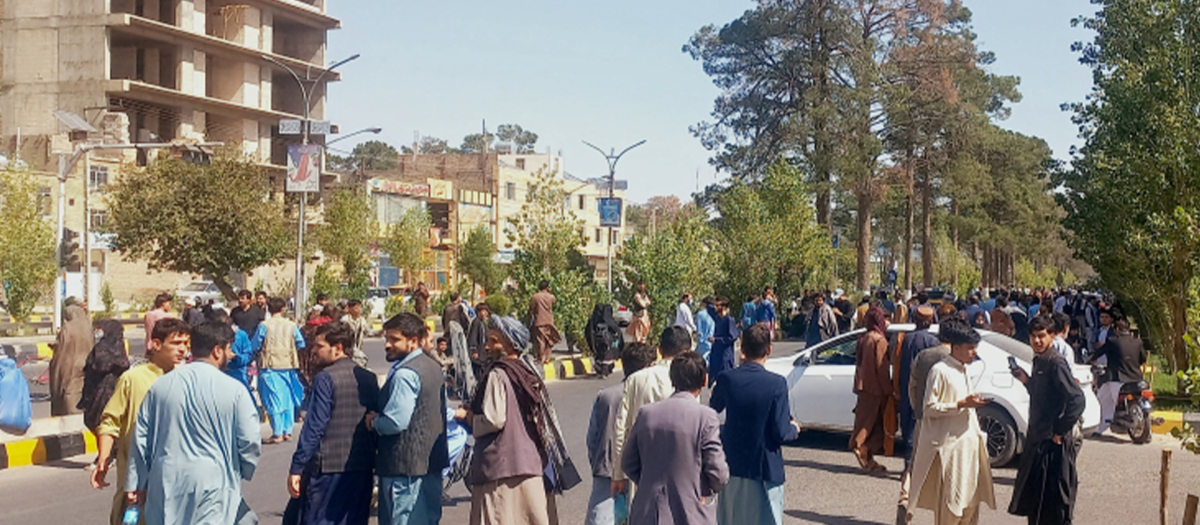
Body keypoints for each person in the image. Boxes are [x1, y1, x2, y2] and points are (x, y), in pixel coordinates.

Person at [124, 322, 260, 525]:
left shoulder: (160, 386)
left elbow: (141, 438)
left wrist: (136, 482)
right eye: (229, 349)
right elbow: (249, 440)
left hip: (165, 481)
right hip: (213, 482)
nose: (231, 355)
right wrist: (242, 468)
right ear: (217, 351)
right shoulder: (235, 390)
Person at [461, 316, 560, 525]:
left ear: (512, 343)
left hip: (500, 468)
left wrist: (470, 419)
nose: (487, 346)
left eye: (494, 341)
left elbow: (494, 419)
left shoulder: (499, 373)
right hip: (530, 463)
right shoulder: (528, 371)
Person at [90, 319, 189, 525]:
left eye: (186, 344)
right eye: (176, 343)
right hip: (136, 480)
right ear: (156, 344)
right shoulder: (133, 379)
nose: (182, 349)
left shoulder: (188, 380)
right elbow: (110, 421)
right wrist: (103, 459)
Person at [285, 322, 380, 525]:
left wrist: (297, 467)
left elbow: (315, 427)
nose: (313, 351)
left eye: (319, 346)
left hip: (327, 470)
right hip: (361, 468)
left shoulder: (325, 379)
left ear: (337, 348)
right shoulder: (368, 378)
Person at [621, 352, 729, 525]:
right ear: (704, 380)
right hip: (692, 511)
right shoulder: (705, 417)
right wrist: (704, 490)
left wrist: (651, 483)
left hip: (649, 511)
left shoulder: (647, 413)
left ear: (672, 379)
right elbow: (718, 472)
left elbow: (628, 462)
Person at [710, 324, 800, 525]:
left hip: (733, 463)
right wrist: (794, 428)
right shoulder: (776, 383)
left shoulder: (726, 378)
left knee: (731, 518)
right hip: (765, 468)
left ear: (742, 348)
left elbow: (714, 406)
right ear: (769, 349)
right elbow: (781, 431)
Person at [908, 320, 996, 525]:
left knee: (971, 506)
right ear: (955, 348)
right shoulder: (940, 370)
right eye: (970, 348)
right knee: (951, 507)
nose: (974, 352)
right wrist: (961, 403)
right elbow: (929, 407)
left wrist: (970, 403)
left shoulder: (963, 368)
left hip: (969, 447)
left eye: (976, 348)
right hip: (951, 450)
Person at [370, 313, 449, 525]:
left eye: (394, 339)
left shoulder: (405, 374)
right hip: (429, 465)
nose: (387, 344)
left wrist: (374, 422)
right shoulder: (432, 366)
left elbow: (396, 422)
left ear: (413, 340)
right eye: (387, 338)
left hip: (404, 470)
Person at [1008, 315, 1087, 525]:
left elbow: (1077, 399)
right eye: (1033, 336)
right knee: (1036, 504)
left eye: (1041, 336)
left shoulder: (1055, 362)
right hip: (1038, 440)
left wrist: (1059, 430)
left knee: (1054, 507)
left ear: (1052, 336)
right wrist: (1026, 380)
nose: (1037, 341)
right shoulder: (1040, 360)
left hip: (1053, 446)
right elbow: (1045, 394)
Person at [611, 326, 692, 502]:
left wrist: (618, 474)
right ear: (688, 351)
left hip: (642, 469)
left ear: (660, 350)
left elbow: (621, 429)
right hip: (681, 471)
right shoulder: (689, 378)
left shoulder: (635, 379)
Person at [584, 342, 656, 525]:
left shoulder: (606, 396)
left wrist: (599, 463)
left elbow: (592, 437)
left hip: (606, 470)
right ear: (646, 368)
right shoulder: (650, 396)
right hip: (641, 472)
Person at [253, 297, 307, 444]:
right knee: (287, 399)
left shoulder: (264, 325)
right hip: (289, 365)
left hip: (269, 366)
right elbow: (301, 343)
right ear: (283, 309)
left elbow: (256, 344)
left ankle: (277, 433)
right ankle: (287, 431)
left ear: (268, 309)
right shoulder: (291, 325)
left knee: (272, 398)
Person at [897, 306, 940, 482]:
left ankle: (908, 466)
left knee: (908, 430)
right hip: (925, 391)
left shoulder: (907, 339)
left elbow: (901, 365)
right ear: (930, 322)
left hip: (908, 388)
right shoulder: (933, 341)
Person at [851, 305, 892, 473]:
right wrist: (889, 390)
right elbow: (881, 368)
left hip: (864, 387)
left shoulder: (864, 337)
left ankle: (868, 459)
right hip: (876, 389)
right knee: (872, 423)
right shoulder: (879, 340)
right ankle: (862, 447)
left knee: (865, 420)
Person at [1090, 320, 1147, 436]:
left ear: (1116, 329)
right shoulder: (1137, 342)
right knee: (1104, 396)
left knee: (1103, 399)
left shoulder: (1112, 341)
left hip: (1117, 378)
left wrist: (1089, 360)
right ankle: (1104, 425)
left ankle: (1103, 425)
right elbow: (1143, 359)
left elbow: (1100, 352)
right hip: (1137, 377)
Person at [78, 319, 130, 433]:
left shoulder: (101, 347)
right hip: (113, 397)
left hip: (97, 397)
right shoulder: (118, 348)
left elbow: (95, 366)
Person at [50, 300, 93, 416]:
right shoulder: (88, 328)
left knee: (67, 401)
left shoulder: (67, 330)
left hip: (68, 371)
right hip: (84, 371)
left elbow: (61, 348)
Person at [586, 303, 625, 378]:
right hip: (608, 346)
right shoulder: (609, 321)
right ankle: (604, 370)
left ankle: (601, 368)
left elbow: (588, 333)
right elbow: (618, 332)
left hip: (597, 345)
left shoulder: (593, 322)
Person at [529, 280, 562, 364]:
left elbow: (531, 310)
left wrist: (528, 320)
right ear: (547, 287)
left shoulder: (535, 297)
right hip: (549, 321)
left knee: (540, 340)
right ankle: (547, 357)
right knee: (549, 340)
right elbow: (554, 304)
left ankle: (541, 358)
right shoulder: (551, 297)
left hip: (539, 321)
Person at [707, 298, 738, 384]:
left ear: (723, 307)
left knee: (726, 378)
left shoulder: (729, 320)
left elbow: (732, 337)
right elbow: (709, 308)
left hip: (725, 354)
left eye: (718, 305)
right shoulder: (717, 317)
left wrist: (717, 340)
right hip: (716, 353)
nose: (715, 307)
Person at [341, 299, 371, 368]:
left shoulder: (362, 321)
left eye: (360, 307)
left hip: (357, 347)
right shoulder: (345, 320)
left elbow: (368, 332)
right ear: (349, 308)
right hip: (348, 348)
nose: (358, 310)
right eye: (356, 308)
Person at [467, 303, 493, 372]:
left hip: (483, 352)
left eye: (486, 311)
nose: (485, 313)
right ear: (478, 312)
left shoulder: (483, 323)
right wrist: (474, 351)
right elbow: (473, 337)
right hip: (479, 353)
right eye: (483, 311)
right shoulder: (476, 322)